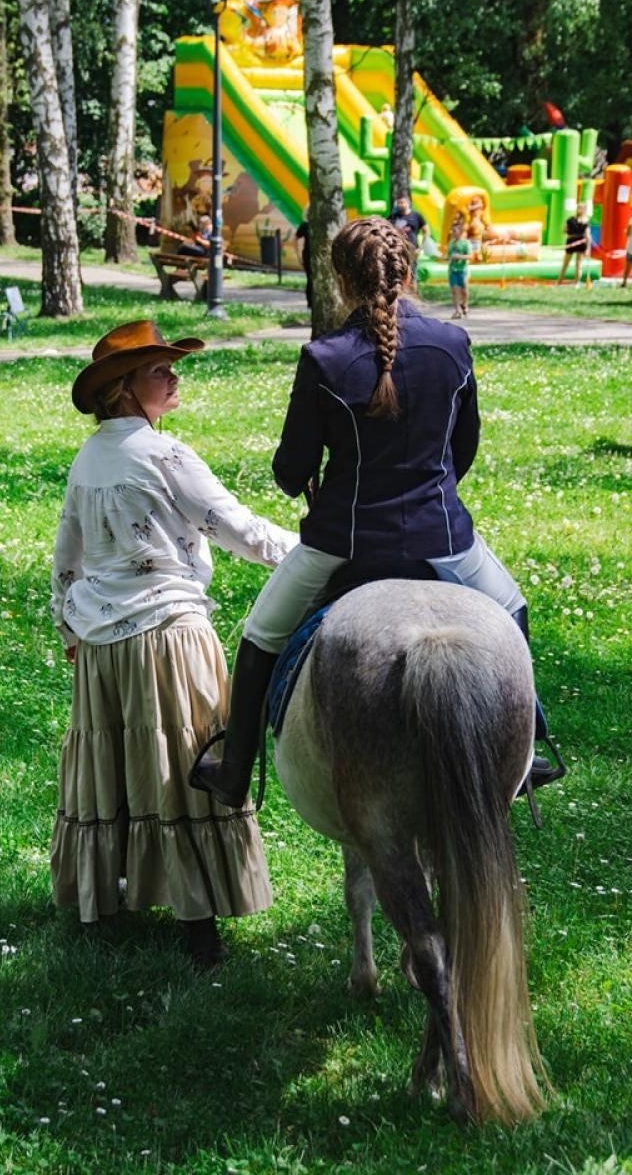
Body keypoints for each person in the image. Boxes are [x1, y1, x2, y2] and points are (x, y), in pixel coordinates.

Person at [191, 215, 563, 809]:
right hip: (442, 536)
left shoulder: (324, 357)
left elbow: (292, 469)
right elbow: (461, 447)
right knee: (513, 610)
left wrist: (300, 477)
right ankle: (526, 752)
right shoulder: (452, 345)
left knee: (260, 634)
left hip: (344, 540)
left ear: (341, 277)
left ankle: (234, 770)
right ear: (408, 270)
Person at [49, 320, 298, 969]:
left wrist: (71, 625)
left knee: (123, 772)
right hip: (166, 635)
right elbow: (237, 529)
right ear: (125, 389)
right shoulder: (166, 456)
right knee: (185, 768)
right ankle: (198, 923)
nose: (174, 376)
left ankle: (103, 899)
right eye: (160, 370)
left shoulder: (89, 458)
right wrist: (320, 555)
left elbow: (67, 558)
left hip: (104, 642)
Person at [388, 195, 428, 284]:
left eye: (403, 202)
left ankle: (413, 295)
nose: (400, 205)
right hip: (397, 250)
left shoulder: (416, 216)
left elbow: (427, 232)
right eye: (399, 203)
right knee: (398, 275)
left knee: (412, 276)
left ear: (408, 203)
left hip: (412, 250)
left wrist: (420, 248)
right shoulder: (393, 217)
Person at [557, 203, 591, 285]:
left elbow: (564, 230)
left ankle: (559, 282)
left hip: (572, 240)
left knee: (566, 263)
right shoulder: (585, 221)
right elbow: (588, 236)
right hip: (580, 241)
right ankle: (576, 283)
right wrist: (588, 249)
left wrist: (588, 248)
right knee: (578, 264)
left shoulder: (570, 220)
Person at [446, 214, 471, 319]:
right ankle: (457, 311)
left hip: (463, 270)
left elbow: (470, 256)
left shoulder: (465, 243)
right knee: (455, 290)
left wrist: (459, 256)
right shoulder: (451, 243)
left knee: (464, 290)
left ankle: (464, 304)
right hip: (453, 270)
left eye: (455, 231)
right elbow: (449, 256)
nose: (453, 233)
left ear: (460, 232)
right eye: (452, 231)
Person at [295, 207, 312, 308]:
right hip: (308, 256)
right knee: (310, 280)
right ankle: (310, 304)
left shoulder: (322, 226)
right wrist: (298, 255)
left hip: (319, 257)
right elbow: (295, 238)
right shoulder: (305, 225)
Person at [621, 218, 632, 289]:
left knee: (628, 266)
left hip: (630, 248)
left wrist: (626, 231)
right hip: (630, 248)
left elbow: (628, 233)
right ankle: (624, 282)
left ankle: (624, 283)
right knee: (628, 266)